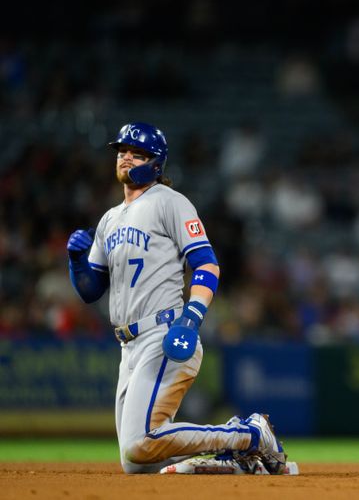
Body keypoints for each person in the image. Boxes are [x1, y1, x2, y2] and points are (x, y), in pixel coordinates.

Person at [66, 122, 293, 475]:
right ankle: (231, 462)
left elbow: (206, 264)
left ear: (156, 163)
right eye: (122, 151)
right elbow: (90, 290)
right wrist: (77, 262)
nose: (126, 157)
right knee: (135, 461)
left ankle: (248, 434)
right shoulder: (110, 219)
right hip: (128, 346)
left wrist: (192, 317)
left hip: (164, 332)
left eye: (136, 152)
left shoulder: (170, 202)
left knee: (139, 443)